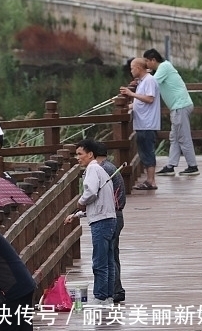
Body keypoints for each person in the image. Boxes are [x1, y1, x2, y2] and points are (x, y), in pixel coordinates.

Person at [63, 139, 117, 305]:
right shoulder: (100, 170)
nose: (77, 158)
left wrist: (81, 200)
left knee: (99, 262)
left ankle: (100, 297)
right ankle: (107, 296)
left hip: (101, 222)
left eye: (80, 154)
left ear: (90, 154)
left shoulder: (93, 169)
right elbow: (97, 202)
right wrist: (77, 215)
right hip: (109, 219)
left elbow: (91, 192)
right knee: (108, 260)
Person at [143, 48, 199, 176]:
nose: (146, 64)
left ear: (153, 60)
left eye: (147, 61)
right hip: (178, 107)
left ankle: (193, 166)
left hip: (180, 106)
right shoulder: (164, 67)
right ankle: (170, 166)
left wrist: (144, 75)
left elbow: (152, 83)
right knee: (174, 137)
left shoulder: (164, 67)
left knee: (183, 137)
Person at [90, 141, 126, 304]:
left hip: (110, 216)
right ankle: (115, 290)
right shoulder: (110, 167)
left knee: (107, 256)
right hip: (117, 215)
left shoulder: (102, 169)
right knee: (112, 254)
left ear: (93, 154)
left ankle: (112, 291)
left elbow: (95, 194)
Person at [120, 57, 161, 190]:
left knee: (148, 151)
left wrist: (131, 93)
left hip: (147, 123)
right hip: (143, 122)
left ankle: (151, 181)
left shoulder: (149, 80)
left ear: (138, 68)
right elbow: (142, 100)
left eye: (132, 68)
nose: (131, 71)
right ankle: (149, 180)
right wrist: (132, 106)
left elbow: (149, 99)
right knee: (144, 151)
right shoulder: (142, 81)